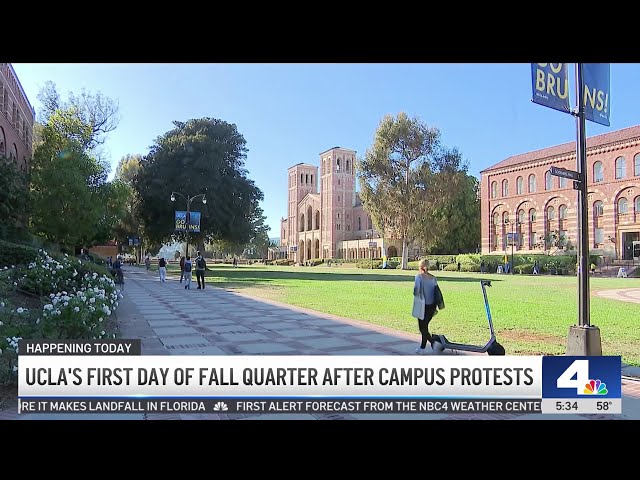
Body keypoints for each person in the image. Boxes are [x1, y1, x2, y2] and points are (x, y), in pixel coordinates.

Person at [413, 259, 439, 355]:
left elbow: (416, 290)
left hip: (422, 306)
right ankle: (433, 343)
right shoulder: (433, 278)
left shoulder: (418, 277)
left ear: (420, 267)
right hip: (432, 306)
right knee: (425, 327)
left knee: (422, 328)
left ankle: (424, 347)